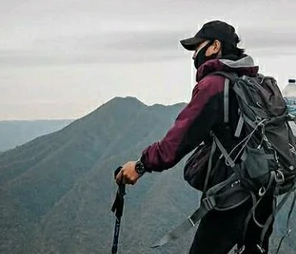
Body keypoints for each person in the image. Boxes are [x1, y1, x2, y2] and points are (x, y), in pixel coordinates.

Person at [115, 20, 275, 254]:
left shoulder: (214, 85)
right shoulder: (253, 82)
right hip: (264, 195)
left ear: (215, 46)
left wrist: (140, 165)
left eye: (197, 47)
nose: (193, 56)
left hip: (232, 197)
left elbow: (178, 141)